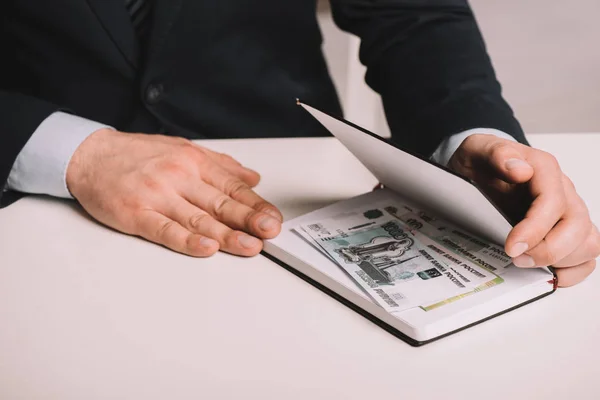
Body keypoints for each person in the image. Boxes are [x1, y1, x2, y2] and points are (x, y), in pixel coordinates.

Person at [1, 0, 597, 287]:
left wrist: (472, 134)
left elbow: (412, 14)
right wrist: (75, 152)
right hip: (34, 207)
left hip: (289, 197)